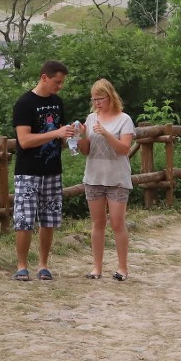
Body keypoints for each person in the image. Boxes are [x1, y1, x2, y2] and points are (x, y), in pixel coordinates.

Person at [12, 60, 76, 281]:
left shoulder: (57, 102)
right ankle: (21, 265)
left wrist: (72, 135)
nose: (59, 86)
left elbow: (62, 136)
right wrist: (55, 134)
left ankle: (43, 265)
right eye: (57, 82)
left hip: (52, 170)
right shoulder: (24, 103)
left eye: (62, 83)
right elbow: (25, 140)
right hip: (28, 171)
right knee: (25, 220)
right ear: (44, 78)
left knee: (49, 219)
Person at [79, 79, 135, 281]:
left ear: (110, 97)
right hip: (94, 177)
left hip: (117, 178)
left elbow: (124, 149)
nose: (96, 103)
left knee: (117, 222)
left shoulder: (124, 119)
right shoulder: (91, 118)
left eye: (99, 98)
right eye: (93, 99)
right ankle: (97, 267)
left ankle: (122, 268)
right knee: (97, 223)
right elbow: (86, 151)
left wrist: (107, 134)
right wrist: (80, 137)